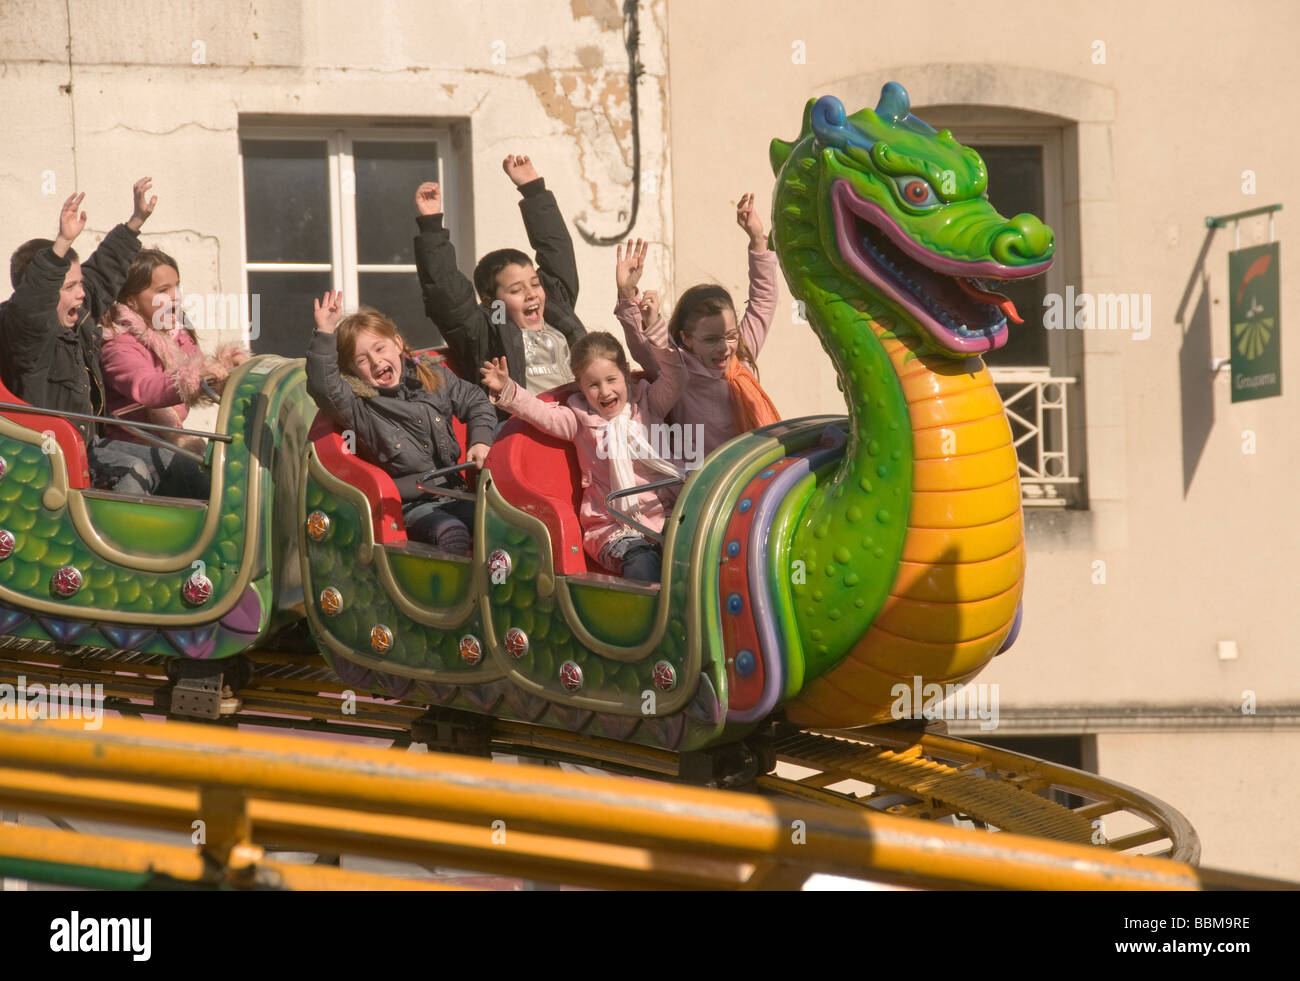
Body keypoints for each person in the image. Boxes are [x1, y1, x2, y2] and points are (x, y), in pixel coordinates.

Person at [0, 181, 208, 498]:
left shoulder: (77, 319)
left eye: (79, 284)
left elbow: (101, 274)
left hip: (86, 443)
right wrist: (60, 243)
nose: (81, 293)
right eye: (69, 287)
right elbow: (33, 301)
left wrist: (134, 223)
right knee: (131, 471)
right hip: (50, 457)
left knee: (184, 462)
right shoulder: (26, 332)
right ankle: (126, 544)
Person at [480, 331, 686, 583]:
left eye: (612, 379)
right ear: (580, 386)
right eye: (593, 385)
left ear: (627, 374)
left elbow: (676, 379)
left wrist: (656, 330)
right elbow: (541, 414)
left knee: (701, 546)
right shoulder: (578, 419)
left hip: (661, 514)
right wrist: (508, 388)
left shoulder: (648, 404)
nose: (605, 391)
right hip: (612, 526)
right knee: (642, 563)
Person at [306, 291, 495, 555]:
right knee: (451, 533)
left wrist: (481, 439)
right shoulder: (359, 406)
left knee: (502, 526)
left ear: (397, 343)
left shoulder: (433, 377)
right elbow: (323, 387)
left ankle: (498, 590)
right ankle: (446, 595)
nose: (376, 361)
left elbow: (475, 401)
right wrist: (325, 332)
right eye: (362, 360)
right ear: (353, 370)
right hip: (410, 506)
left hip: (456, 493)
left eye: (380, 348)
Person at [413, 154, 586, 410]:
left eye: (535, 284)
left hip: (580, 423)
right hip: (522, 433)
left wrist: (533, 189)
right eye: (516, 290)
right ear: (492, 302)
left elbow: (557, 251)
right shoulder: (488, 330)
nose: (531, 294)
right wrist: (431, 226)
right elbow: (446, 295)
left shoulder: (557, 309)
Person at [616, 193, 781, 459]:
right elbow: (644, 345)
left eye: (730, 335)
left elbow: (763, 300)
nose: (724, 348)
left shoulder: (741, 353)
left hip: (750, 474)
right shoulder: (675, 368)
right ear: (687, 339)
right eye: (710, 339)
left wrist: (758, 241)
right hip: (700, 484)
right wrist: (627, 295)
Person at [100, 248, 248, 462]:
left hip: (166, 443)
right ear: (132, 301)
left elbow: (201, 370)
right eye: (163, 290)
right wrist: (196, 377)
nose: (175, 297)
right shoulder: (118, 345)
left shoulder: (175, 334)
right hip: (130, 447)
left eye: (176, 286)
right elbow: (147, 387)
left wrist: (229, 369)